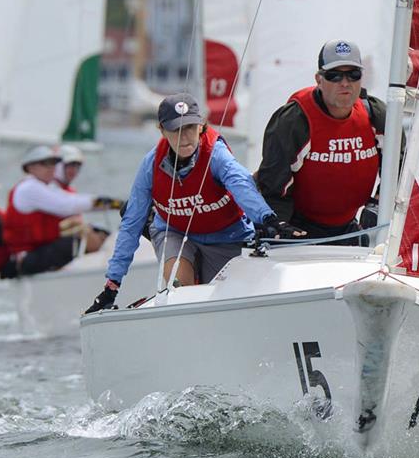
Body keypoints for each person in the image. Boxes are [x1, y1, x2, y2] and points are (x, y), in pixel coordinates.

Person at [85, 93, 305, 314]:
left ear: (201, 126)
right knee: (182, 290)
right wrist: (112, 286)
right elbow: (131, 224)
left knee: (225, 301)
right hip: (176, 232)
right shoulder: (150, 165)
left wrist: (269, 219)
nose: (184, 137)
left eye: (190, 127)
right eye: (175, 130)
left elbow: (242, 186)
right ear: (161, 130)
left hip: (227, 237)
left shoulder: (217, 156)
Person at [256, 39, 399, 245]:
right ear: (319, 79)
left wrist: (379, 203)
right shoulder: (294, 120)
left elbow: (399, 168)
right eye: (334, 75)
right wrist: (277, 227)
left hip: (350, 229)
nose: (345, 83)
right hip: (298, 230)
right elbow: (273, 184)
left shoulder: (376, 114)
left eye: (353, 74)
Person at [2, 145, 120, 276]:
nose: (52, 167)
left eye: (54, 163)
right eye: (46, 163)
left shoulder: (44, 187)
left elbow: (70, 202)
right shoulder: (29, 188)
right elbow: (68, 205)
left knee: (99, 233)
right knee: (77, 241)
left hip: (37, 253)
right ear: (31, 167)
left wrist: (114, 204)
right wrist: (114, 204)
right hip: (26, 259)